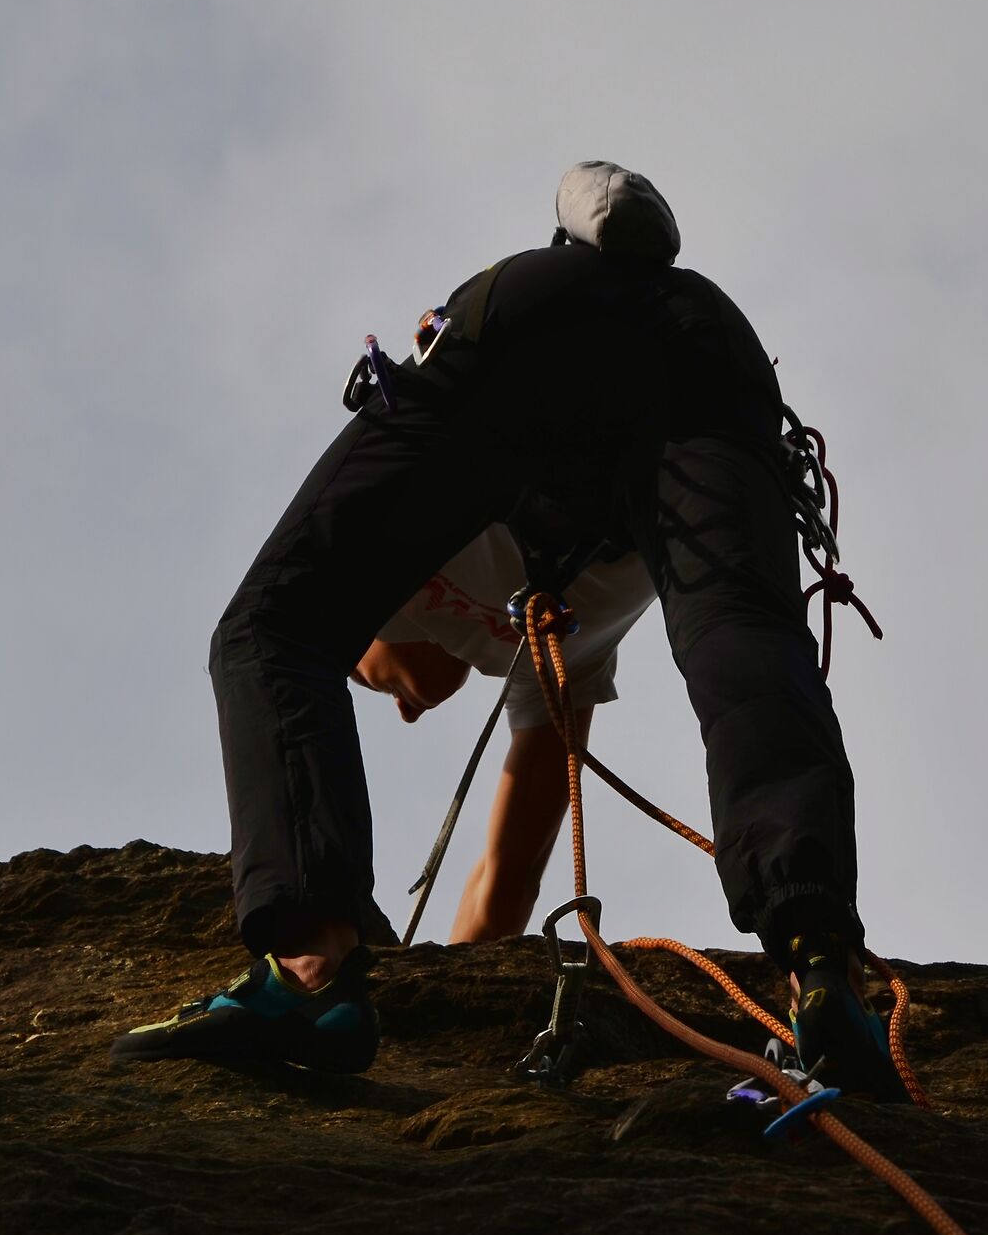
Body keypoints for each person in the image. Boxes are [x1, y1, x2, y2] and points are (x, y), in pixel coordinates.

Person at [112, 161, 899, 1096]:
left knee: (272, 630)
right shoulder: (558, 654)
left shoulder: (402, 584)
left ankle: (312, 970)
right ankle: (821, 970)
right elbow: (508, 871)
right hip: (708, 357)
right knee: (744, 641)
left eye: (372, 678)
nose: (405, 705)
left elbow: (500, 846)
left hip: (542, 322)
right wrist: (447, 995)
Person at [351, 525, 654, 942]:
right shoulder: (563, 664)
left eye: (376, 685)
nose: (406, 714)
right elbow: (506, 883)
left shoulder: (380, 541)